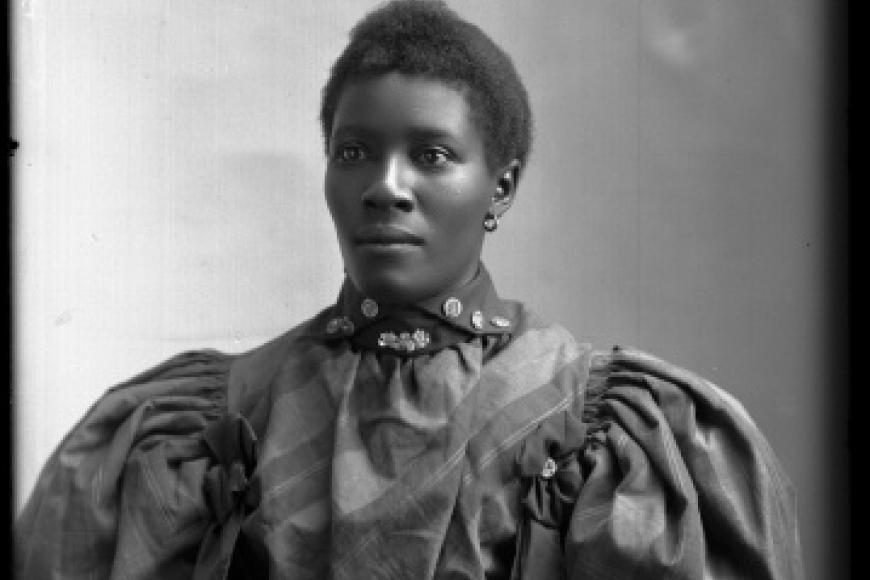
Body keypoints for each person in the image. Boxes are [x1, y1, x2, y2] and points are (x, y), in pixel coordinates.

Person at [15, 1, 804, 578]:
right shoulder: (205, 427)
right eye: (354, 151)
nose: (384, 187)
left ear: (500, 187)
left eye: (430, 156)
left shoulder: (613, 434)